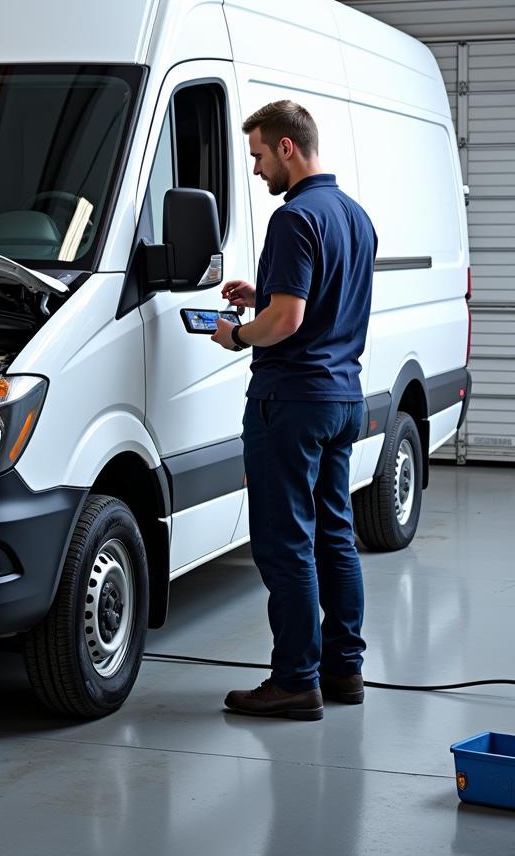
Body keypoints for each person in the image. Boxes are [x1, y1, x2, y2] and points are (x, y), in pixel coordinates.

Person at [210, 100, 377, 721]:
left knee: (285, 544)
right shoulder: (355, 217)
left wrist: (237, 333)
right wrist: (267, 291)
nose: (254, 170)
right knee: (336, 535)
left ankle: (294, 681)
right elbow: (321, 297)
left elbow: (288, 320)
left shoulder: (294, 218)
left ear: (287, 148)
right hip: (342, 399)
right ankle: (344, 671)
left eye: (257, 155)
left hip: (292, 401)